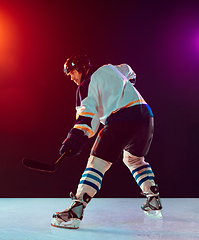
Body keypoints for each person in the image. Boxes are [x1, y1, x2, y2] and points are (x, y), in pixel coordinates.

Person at [51, 53, 162, 229]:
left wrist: (75, 138)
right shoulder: (111, 68)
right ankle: (153, 199)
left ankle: (76, 211)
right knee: (133, 159)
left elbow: (87, 117)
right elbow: (129, 71)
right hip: (146, 116)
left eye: (71, 72)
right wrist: (122, 89)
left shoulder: (85, 85)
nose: (71, 77)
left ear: (80, 68)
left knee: (96, 163)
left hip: (121, 119)